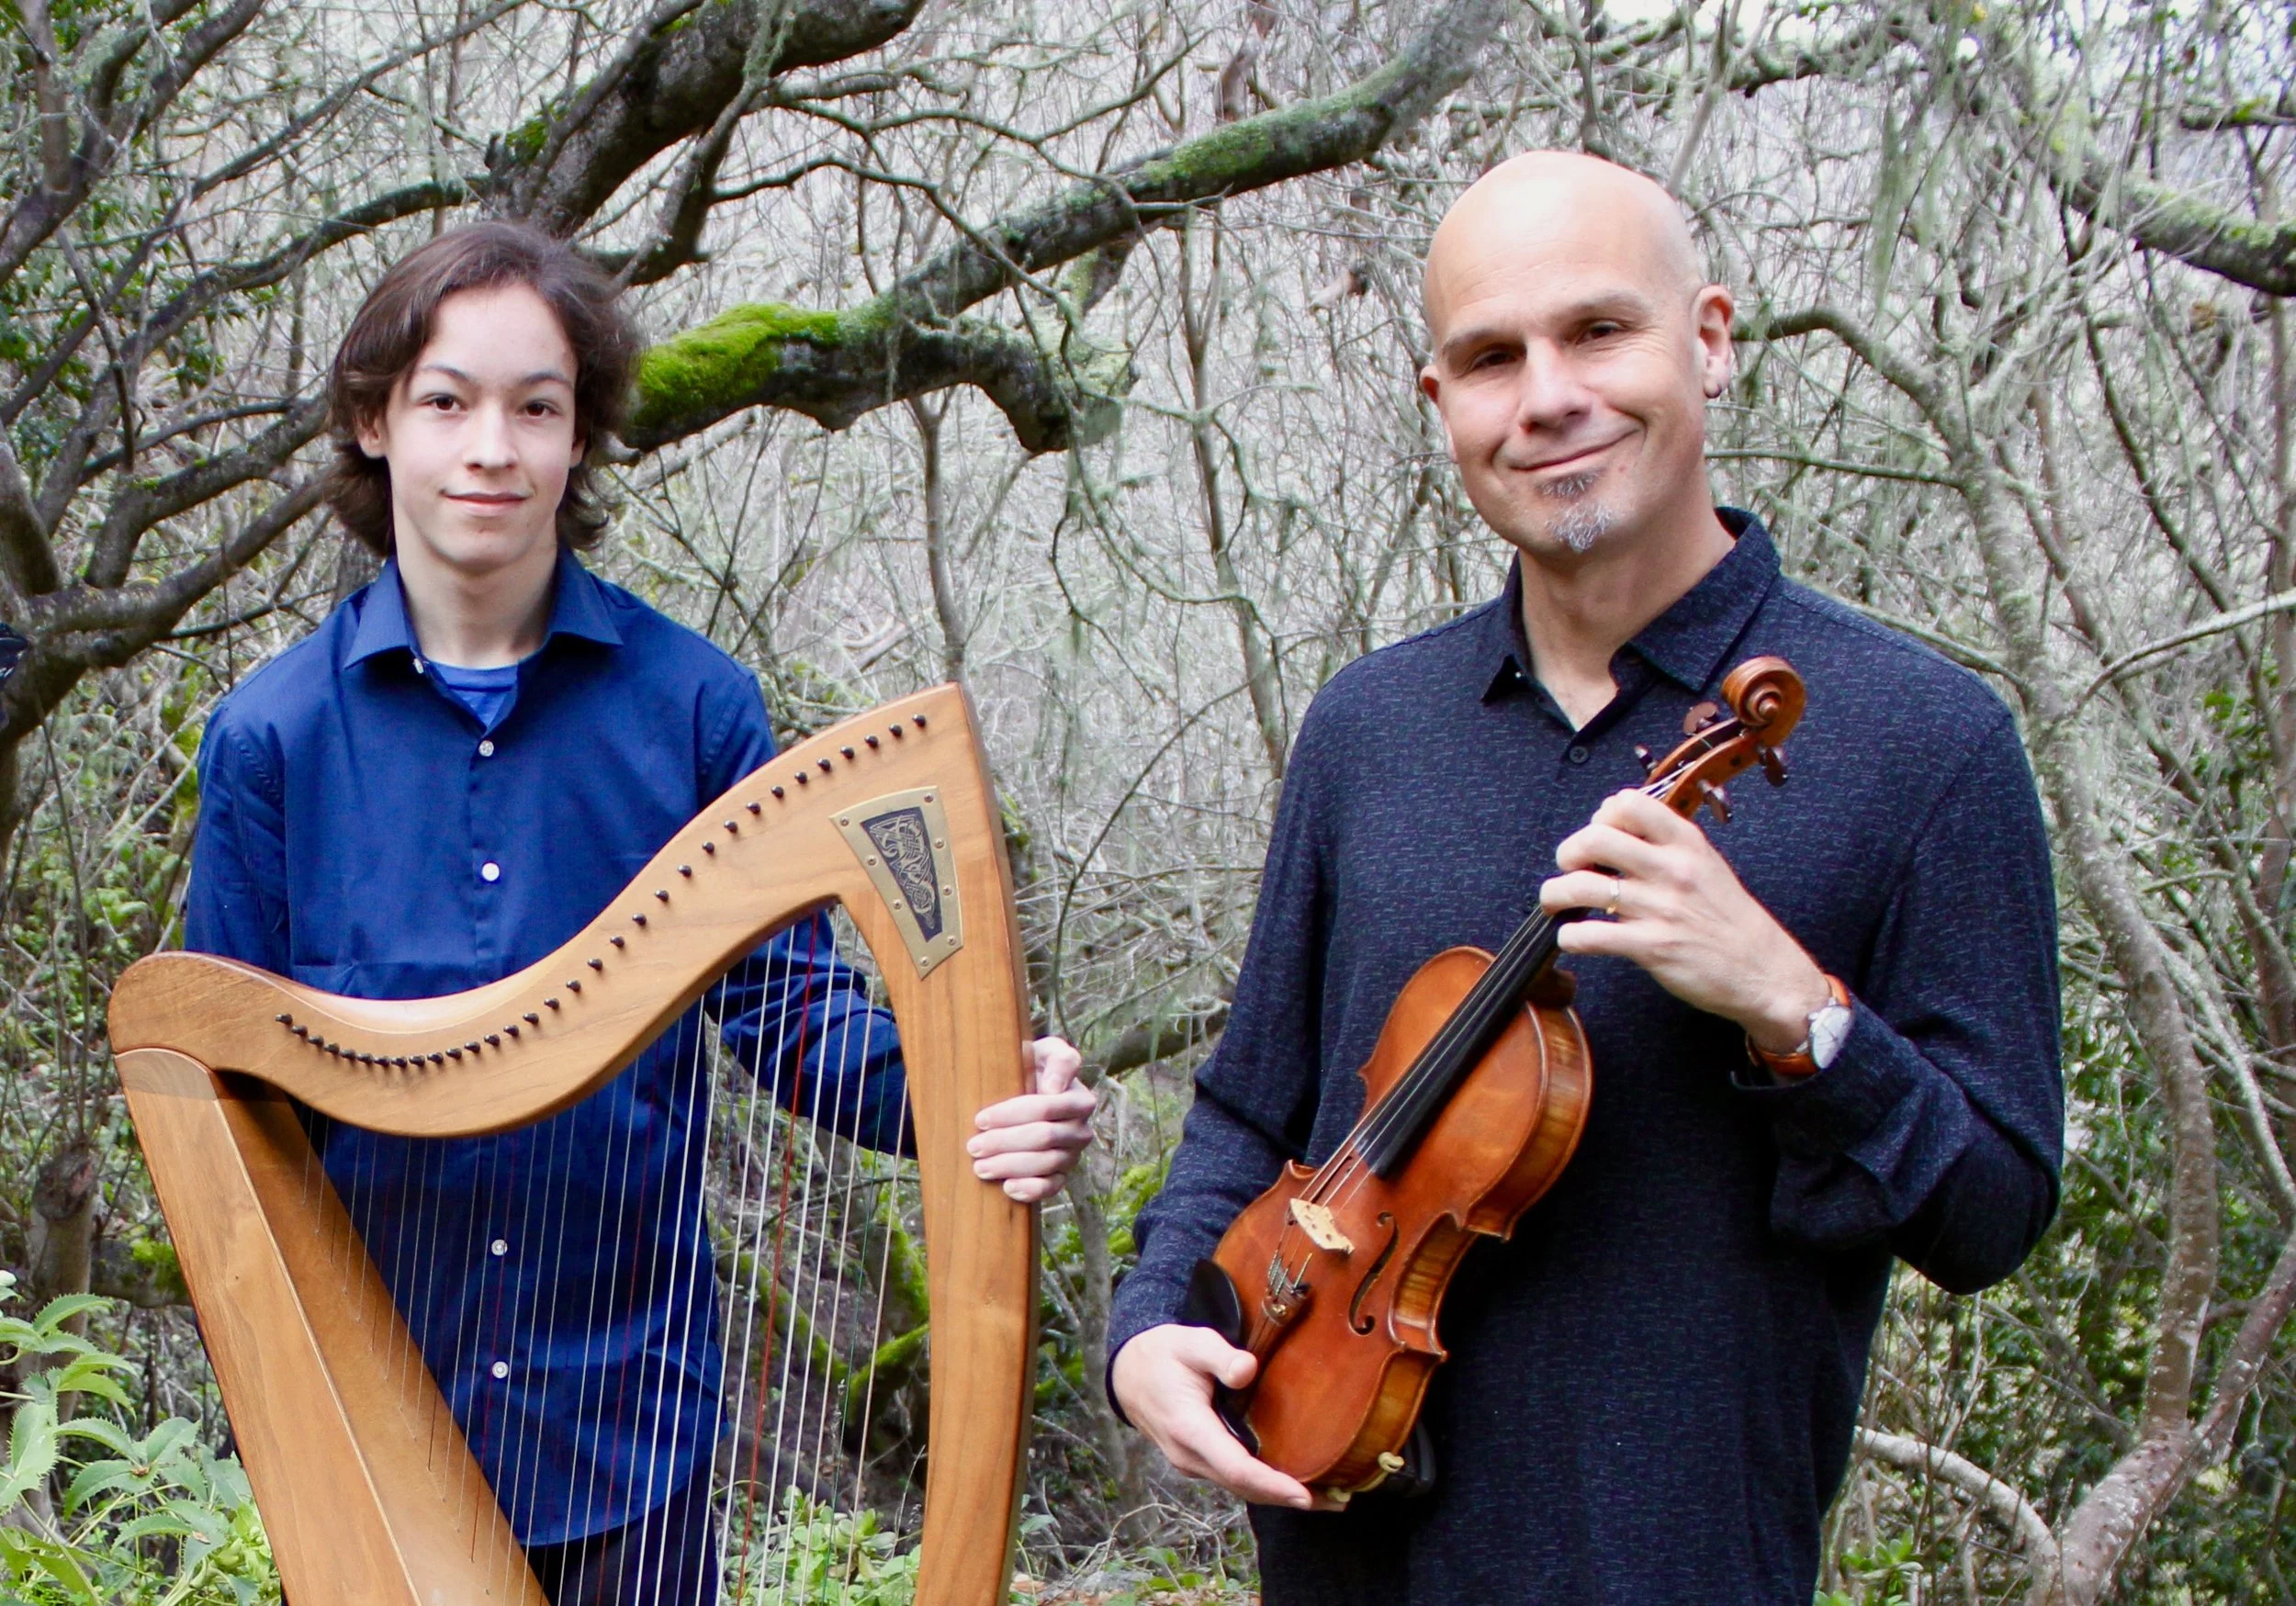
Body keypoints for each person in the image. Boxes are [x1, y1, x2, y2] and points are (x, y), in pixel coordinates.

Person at [1107, 152, 2064, 1602]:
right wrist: (1146, 1330)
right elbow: (1252, 1108)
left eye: (1598, 331)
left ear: (1714, 338)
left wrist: (1795, 1010)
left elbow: (1992, 1212)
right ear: (1444, 408)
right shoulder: (1370, 729)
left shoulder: (1926, 744)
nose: (1548, 397)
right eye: (1491, 358)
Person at [183, 221, 1095, 1605]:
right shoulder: (271, 742)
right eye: (448, 400)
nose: (492, 446)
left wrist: (977, 1096)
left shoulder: (693, 711)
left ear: (579, 438)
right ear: (375, 424)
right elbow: (222, 1106)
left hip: (630, 1428)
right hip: (365, 1429)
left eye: (536, 407)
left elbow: (792, 1017)